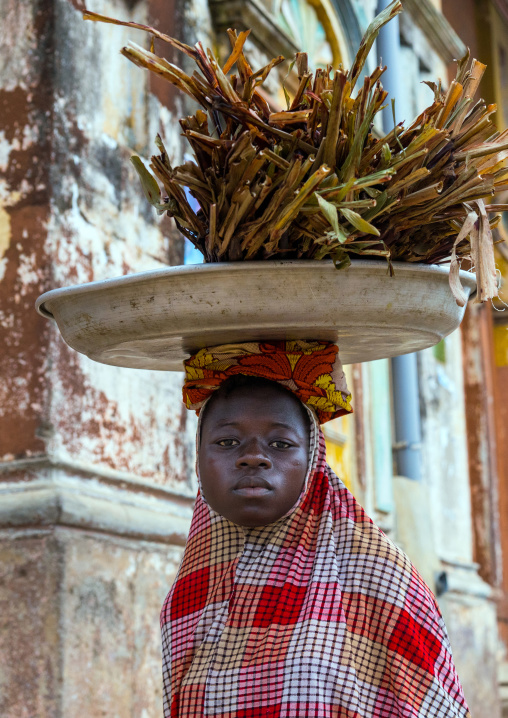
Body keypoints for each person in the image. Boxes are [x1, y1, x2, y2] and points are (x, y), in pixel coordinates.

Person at [161, 341, 470, 717]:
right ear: (198, 458)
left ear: (312, 459)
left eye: (279, 443)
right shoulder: (192, 591)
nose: (253, 456)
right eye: (227, 442)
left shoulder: (380, 579)